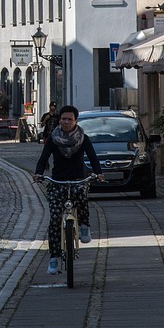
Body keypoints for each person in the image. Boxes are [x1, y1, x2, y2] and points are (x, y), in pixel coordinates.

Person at [34, 104, 104, 274]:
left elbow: (93, 158)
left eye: (69, 119)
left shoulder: (83, 138)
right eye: (63, 119)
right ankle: (54, 258)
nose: (66, 122)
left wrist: (99, 173)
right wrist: (38, 173)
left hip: (78, 178)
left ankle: (85, 226)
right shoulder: (53, 138)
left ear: (75, 121)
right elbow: (43, 159)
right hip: (57, 181)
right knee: (56, 219)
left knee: (82, 195)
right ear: (59, 120)